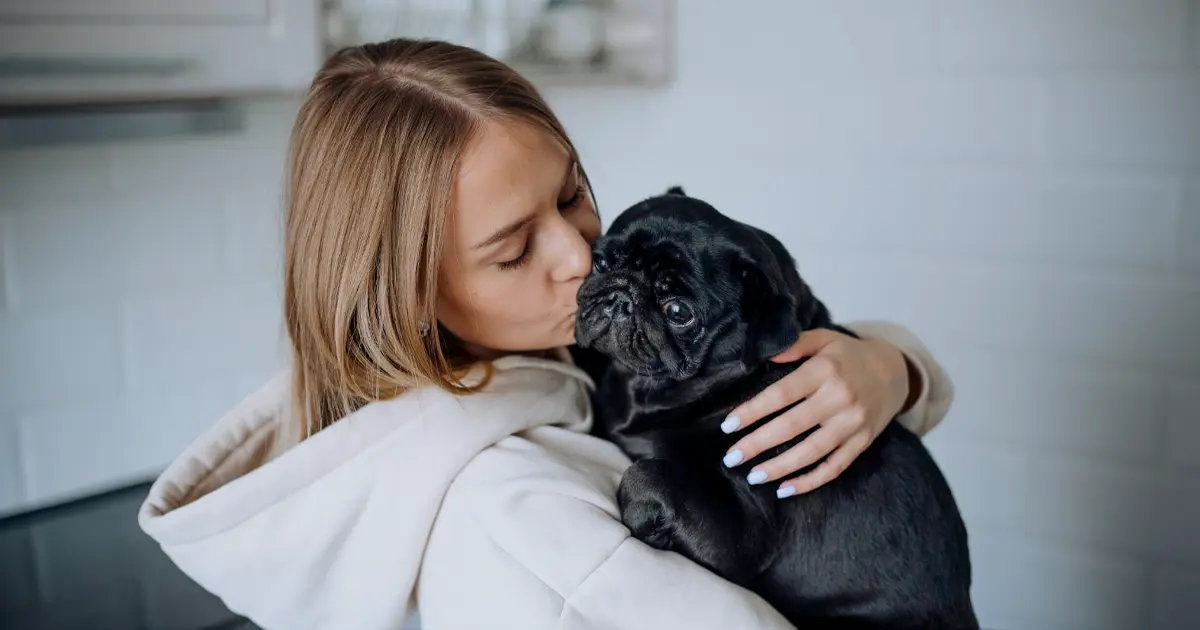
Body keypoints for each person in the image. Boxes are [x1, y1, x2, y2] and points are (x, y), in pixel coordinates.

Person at [139, 39, 954, 630]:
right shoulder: (517, 513)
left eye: (570, 196)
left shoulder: (545, 348)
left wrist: (889, 367)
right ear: (406, 296)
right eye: (513, 248)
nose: (578, 253)